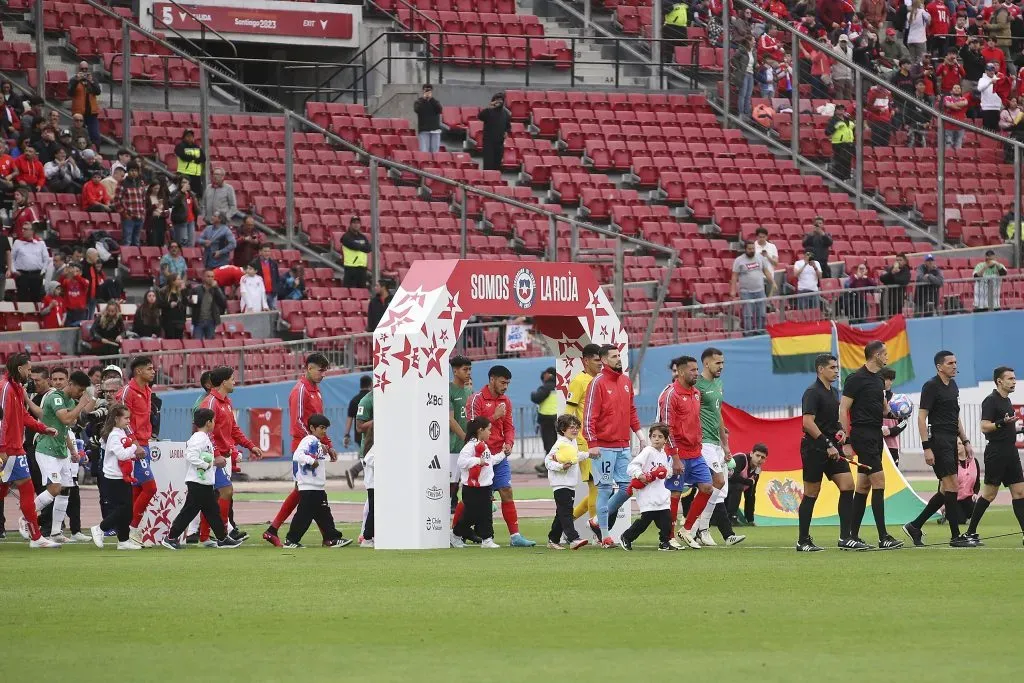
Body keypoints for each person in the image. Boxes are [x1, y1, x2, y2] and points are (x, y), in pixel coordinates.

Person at [903, 351, 976, 548]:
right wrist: (927, 447)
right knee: (952, 485)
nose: (954, 366)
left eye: (956, 362)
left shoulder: (953, 386)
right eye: (950, 363)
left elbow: (956, 416)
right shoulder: (931, 386)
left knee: (946, 489)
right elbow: (921, 418)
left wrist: (965, 440)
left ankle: (914, 526)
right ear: (939, 367)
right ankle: (955, 536)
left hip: (952, 440)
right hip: (938, 441)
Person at [263, 353, 335, 547]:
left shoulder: (316, 391)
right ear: (309, 368)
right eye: (321, 370)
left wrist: (328, 445)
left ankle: (328, 536)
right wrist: (317, 445)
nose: (323, 374)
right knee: (307, 491)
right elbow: (298, 422)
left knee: (308, 491)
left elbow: (319, 423)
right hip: (303, 448)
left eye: (325, 370)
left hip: (313, 447)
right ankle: (327, 536)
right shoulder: (301, 390)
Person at [462, 365, 535, 546]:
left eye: (508, 383)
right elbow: (472, 428)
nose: (505, 386)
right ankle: (457, 531)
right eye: (503, 382)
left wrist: (509, 443)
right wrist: (494, 416)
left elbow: (509, 426)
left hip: (499, 455)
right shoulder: (475, 399)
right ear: (492, 379)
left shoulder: (506, 401)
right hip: (479, 456)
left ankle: (515, 536)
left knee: (506, 491)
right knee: (474, 499)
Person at [840, 340, 903, 550]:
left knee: (865, 486)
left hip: (876, 435)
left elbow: (884, 410)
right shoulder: (855, 379)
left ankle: (851, 536)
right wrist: (847, 441)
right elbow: (843, 410)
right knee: (879, 481)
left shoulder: (878, 380)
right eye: (885, 354)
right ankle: (883, 537)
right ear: (876, 355)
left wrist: (896, 413)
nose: (887, 357)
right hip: (862, 435)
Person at [796, 354, 862, 552]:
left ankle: (845, 538)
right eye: (832, 367)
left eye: (836, 367)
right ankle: (803, 541)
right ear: (820, 370)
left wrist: (840, 430)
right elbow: (807, 423)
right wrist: (827, 443)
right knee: (811, 493)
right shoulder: (812, 392)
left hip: (833, 448)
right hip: (815, 450)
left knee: (848, 485)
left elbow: (834, 420)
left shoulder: (833, 392)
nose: (836, 371)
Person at [582, 345, 646, 547]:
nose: (619, 359)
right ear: (603, 360)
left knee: (628, 487)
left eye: (619, 355)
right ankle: (605, 536)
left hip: (623, 445)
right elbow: (589, 415)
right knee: (605, 489)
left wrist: (640, 435)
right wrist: (592, 443)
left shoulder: (626, 381)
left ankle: (594, 521)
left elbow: (631, 411)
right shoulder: (597, 383)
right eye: (614, 356)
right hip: (604, 447)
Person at [0, 353, 61, 548]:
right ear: (19, 369)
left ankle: (36, 538)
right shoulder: (6, 388)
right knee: (26, 488)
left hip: (15, 449)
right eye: (28, 369)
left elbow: (23, 416)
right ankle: (36, 538)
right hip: (8, 449)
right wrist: (2, 448)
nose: (30, 372)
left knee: (18, 489)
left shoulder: (17, 388)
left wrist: (43, 428)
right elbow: (1, 420)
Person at [197, 366, 263, 545]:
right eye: (232, 379)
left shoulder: (227, 402)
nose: (235, 382)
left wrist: (251, 446)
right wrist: (216, 454)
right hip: (212, 458)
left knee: (212, 498)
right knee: (226, 492)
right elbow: (205, 432)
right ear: (224, 381)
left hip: (223, 457)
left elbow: (233, 429)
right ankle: (223, 534)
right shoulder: (210, 402)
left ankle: (204, 537)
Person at [161, 408, 242, 550]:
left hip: (203, 482)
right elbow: (191, 456)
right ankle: (171, 537)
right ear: (208, 422)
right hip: (197, 483)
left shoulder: (203, 437)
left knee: (212, 512)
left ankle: (222, 538)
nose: (215, 423)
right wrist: (211, 463)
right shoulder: (198, 438)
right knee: (190, 512)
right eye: (213, 420)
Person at [687, 347, 744, 547]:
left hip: (716, 443)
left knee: (719, 489)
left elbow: (718, 414)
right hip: (703, 443)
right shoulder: (698, 386)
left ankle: (699, 529)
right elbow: (692, 414)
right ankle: (696, 528)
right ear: (706, 364)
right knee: (716, 483)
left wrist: (726, 444)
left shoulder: (718, 384)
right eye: (718, 363)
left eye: (723, 362)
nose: (721, 366)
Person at [964, 367, 1024, 545]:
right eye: (1010, 379)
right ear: (999, 381)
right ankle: (970, 533)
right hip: (996, 452)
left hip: (1010, 452)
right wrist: (1001, 422)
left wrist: (1017, 428)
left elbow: (1007, 427)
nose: (1014, 382)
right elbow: (985, 427)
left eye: (1014, 379)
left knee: (1020, 492)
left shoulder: (1007, 401)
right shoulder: (990, 401)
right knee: (989, 494)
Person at [33, 370, 93, 542]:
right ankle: (27, 517)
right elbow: (66, 419)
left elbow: (66, 429)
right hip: (47, 449)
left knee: (66, 489)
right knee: (55, 488)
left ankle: (56, 532)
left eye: (83, 391)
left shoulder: (68, 400)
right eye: (79, 390)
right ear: (71, 384)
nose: (80, 394)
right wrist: (81, 404)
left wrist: (73, 451)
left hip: (60, 450)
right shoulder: (56, 397)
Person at [664, 355, 715, 549]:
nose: (697, 373)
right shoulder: (670, 394)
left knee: (707, 488)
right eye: (693, 370)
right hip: (678, 453)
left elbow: (694, 421)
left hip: (695, 451)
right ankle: (669, 536)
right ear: (682, 371)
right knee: (675, 493)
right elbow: (666, 427)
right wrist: (675, 457)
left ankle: (685, 529)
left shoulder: (695, 393)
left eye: (697, 369)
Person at [281, 413, 348, 549]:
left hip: (317, 487)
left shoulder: (317, 442)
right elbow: (297, 455)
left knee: (324, 515)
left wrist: (325, 450)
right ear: (312, 428)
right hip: (309, 487)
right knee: (304, 516)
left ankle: (331, 538)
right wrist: (312, 461)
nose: (324, 431)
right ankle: (291, 540)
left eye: (325, 428)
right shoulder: (309, 440)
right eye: (321, 428)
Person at [114, 355, 157, 546]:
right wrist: (136, 445)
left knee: (137, 489)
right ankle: (132, 528)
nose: (153, 371)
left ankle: (125, 530)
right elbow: (122, 422)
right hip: (132, 446)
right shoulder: (126, 392)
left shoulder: (147, 390)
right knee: (150, 487)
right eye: (149, 368)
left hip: (143, 443)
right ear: (138, 371)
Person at [89, 404, 143, 550]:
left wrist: (132, 455)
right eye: (126, 418)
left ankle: (123, 540)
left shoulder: (120, 433)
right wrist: (133, 447)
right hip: (114, 477)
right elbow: (121, 454)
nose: (128, 421)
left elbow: (124, 455)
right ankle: (100, 528)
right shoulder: (114, 435)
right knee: (123, 508)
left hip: (121, 476)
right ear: (116, 418)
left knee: (127, 510)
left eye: (129, 418)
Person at [616, 423, 673, 551]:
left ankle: (664, 543)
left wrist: (666, 472)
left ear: (665, 439)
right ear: (650, 437)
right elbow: (632, 467)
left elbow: (667, 471)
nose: (656, 439)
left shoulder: (664, 454)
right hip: (648, 494)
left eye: (660, 436)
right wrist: (640, 474)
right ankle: (626, 537)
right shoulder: (647, 451)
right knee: (645, 521)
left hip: (661, 494)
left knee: (667, 521)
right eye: (653, 436)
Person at [566, 344, 602, 538]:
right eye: (597, 360)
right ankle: (598, 532)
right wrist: (573, 440)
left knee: (601, 487)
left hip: (600, 440)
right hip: (585, 442)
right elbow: (569, 412)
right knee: (595, 485)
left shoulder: (600, 381)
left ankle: (565, 523)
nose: (600, 364)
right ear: (586, 361)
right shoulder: (579, 381)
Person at [452, 416, 503, 548]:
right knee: (471, 515)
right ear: (480, 430)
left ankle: (487, 539)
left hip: (485, 487)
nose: (490, 433)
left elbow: (489, 460)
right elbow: (461, 462)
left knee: (486, 514)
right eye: (488, 430)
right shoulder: (470, 446)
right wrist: (477, 461)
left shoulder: (483, 446)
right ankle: (455, 534)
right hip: (472, 488)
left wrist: (503, 454)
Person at [543, 414, 590, 551]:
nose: (575, 430)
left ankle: (553, 539)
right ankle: (573, 538)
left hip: (569, 484)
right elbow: (548, 461)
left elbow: (576, 456)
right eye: (571, 427)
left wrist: (589, 454)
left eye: (576, 427)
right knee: (566, 513)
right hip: (560, 484)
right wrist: (561, 467)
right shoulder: (561, 444)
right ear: (563, 429)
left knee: (561, 513)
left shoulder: (572, 442)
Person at [730, 240, 776, 335]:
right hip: (746, 292)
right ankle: (748, 333)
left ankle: (760, 331)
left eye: (753, 248)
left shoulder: (760, 258)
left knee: (762, 314)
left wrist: (773, 282)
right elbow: (734, 276)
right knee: (748, 315)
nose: (752, 250)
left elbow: (766, 271)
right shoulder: (739, 260)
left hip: (760, 291)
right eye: (749, 249)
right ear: (745, 249)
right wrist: (733, 290)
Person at [447, 355, 472, 513]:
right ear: (455, 371)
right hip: (453, 445)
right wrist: (465, 437)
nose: (468, 372)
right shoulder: (448, 390)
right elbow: (450, 420)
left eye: (470, 369)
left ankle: (462, 526)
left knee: (468, 486)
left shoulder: (469, 391)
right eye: (465, 369)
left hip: (468, 445)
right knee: (450, 486)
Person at [726, 445, 767, 526]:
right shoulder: (741, 458)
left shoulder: (757, 470)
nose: (759, 459)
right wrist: (749, 481)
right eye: (757, 455)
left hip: (728, 496)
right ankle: (731, 517)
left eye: (762, 457)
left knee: (750, 493)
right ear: (751, 454)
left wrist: (750, 519)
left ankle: (748, 519)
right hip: (718, 494)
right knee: (737, 486)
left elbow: (751, 494)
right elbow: (732, 477)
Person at [11, 221, 50, 303]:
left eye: (25, 229)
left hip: (36, 275)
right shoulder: (17, 242)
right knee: (22, 298)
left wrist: (42, 272)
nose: (23, 231)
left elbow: (46, 259)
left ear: (32, 231)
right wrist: (14, 271)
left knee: (36, 298)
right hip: (22, 275)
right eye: (22, 229)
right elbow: (11, 259)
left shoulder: (41, 243)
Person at [880, 368, 909, 467]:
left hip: (892, 445)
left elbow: (904, 422)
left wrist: (891, 431)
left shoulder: (898, 400)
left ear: (891, 381)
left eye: (885, 379)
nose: (881, 381)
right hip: (874, 444)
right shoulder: (872, 398)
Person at [68, 62, 101, 145]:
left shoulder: (92, 79)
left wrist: (92, 81)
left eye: (86, 69)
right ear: (78, 70)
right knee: (78, 135)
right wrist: (76, 80)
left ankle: (96, 154)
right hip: (79, 113)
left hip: (91, 113)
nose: (84, 71)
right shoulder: (73, 80)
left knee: (95, 135)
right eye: (82, 69)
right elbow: (70, 93)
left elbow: (98, 92)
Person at [115, 163, 147, 247]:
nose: (134, 173)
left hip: (140, 216)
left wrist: (143, 213)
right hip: (128, 217)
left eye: (136, 171)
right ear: (128, 172)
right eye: (132, 171)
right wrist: (124, 214)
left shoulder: (141, 182)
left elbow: (144, 199)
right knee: (127, 241)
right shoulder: (122, 183)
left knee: (136, 241)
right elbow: (117, 201)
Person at [478, 93, 511, 171]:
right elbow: (480, 116)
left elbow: (508, 126)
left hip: (499, 143)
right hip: (488, 143)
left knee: (497, 165)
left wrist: (506, 132)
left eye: (501, 100)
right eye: (497, 100)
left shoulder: (505, 113)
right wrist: (489, 107)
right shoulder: (489, 111)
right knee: (488, 164)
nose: (499, 102)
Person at [190, 269, 227, 340]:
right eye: (208, 276)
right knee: (197, 344)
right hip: (198, 321)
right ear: (203, 277)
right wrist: (190, 301)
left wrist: (216, 288)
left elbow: (223, 302)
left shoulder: (215, 290)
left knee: (210, 344)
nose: (211, 278)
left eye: (212, 277)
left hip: (211, 321)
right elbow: (193, 304)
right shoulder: (196, 290)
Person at [531, 366, 558, 457]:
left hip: (547, 420)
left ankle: (549, 465)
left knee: (549, 443)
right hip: (557, 418)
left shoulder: (547, 386)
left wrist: (533, 393)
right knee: (557, 443)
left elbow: (536, 398)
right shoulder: (560, 386)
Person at [340, 216, 371, 288]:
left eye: (358, 223)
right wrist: (362, 246)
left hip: (362, 267)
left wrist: (360, 246)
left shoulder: (363, 237)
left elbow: (369, 248)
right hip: (351, 268)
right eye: (354, 223)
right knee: (350, 291)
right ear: (350, 224)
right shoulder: (346, 236)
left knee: (362, 291)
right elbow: (354, 246)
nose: (356, 224)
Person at [826, 104, 855, 181]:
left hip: (849, 143)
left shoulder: (848, 119)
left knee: (847, 161)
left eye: (842, 109)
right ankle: (839, 178)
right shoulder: (833, 120)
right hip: (838, 143)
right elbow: (827, 132)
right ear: (835, 111)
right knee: (840, 161)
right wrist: (836, 127)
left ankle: (847, 178)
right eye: (839, 109)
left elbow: (852, 129)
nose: (841, 111)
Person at [175, 129, 206, 199]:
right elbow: (184, 157)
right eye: (188, 136)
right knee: (184, 194)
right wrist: (195, 158)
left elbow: (203, 158)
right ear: (184, 137)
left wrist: (192, 158)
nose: (190, 138)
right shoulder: (180, 146)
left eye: (192, 136)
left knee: (197, 195)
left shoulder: (197, 147)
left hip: (196, 175)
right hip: (184, 174)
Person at [731, 36, 757, 119]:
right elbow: (733, 59)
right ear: (749, 41)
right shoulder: (741, 50)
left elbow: (753, 63)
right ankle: (741, 113)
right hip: (744, 74)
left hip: (751, 74)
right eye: (753, 40)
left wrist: (756, 65)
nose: (755, 42)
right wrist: (739, 68)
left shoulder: (754, 51)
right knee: (743, 94)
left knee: (748, 94)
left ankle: (747, 112)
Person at [879, 253, 910, 317]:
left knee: (896, 318)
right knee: (886, 317)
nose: (898, 262)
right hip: (887, 298)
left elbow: (903, 281)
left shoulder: (906, 270)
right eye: (897, 260)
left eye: (900, 260)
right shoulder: (891, 269)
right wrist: (892, 273)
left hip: (898, 300)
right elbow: (882, 279)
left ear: (904, 261)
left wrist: (892, 276)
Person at [414, 84, 443, 153]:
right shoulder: (418, 102)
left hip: (435, 129)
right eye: (426, 90)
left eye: (429, 90)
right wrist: (424, 99)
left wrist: (431, 99)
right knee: (424, 151)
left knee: (435, 151)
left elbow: (439, 110)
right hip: (424, 130)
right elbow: (417, 110)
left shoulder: (435, 102)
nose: (427, 92)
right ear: (423, 91)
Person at [158, 274, 188, 339]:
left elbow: (186, 303)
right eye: (179, 279)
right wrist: (169, 305)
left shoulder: (181, 291)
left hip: (180, 320)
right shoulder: (164, 291)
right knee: (170, 340)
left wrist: (183, 291)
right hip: (168, 320)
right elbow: (159, 304)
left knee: (179, 341)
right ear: (173, 281)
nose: (181, 281)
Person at [170, 177, 198, 247]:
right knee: (182, 244)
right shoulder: (175, 193)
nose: (185, 184)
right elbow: (172, 203)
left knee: (191, 243)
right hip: (181, 221)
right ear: (180, 183)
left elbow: (195, 208)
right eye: (183, 182)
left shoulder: (192, 194)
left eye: (187, 182)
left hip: (191, 221)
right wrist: (181, 192)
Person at [252, 243, 280, 310]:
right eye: (265, 251)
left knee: (273, 313)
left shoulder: (274, 263)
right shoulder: (254, 263)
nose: (267, 253)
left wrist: (276, 289)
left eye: (268, 251)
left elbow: (277, 278)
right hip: (260, 294)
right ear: (260, 252)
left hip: (272, 293)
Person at [144, 181, 169, 249]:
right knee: (153, 242)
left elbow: (167, 210)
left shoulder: (161, 198)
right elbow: (146, 211)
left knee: (160, 242)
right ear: (151, 188)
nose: (157, 190)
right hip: (152, 222)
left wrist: (164, 214)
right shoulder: (147, 197)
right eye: (155, 188)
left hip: (161, 221)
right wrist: (155, 206)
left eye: (158, 188)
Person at [978, 63, 1002, 130]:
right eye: (989, 70)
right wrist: (990, 82)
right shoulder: (982, 80)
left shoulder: (998, 78)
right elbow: (980, 88)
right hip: (986, 108)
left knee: (996, 131)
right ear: (985, 71)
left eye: (993, 70)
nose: (991, 72)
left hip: (997, 108)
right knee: (987, 130)